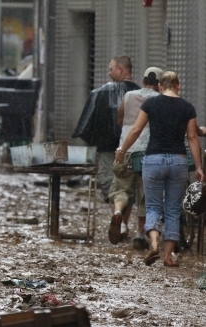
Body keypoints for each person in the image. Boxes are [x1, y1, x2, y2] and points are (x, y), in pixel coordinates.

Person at [115, 71, 204, 267]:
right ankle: (168, 256)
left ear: (160, 87)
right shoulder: (187, 107)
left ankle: (154, 242)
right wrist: (198, 167)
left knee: (153, 206)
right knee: (172, 209)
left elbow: (136, 130)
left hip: (153, 160)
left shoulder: (150, 104)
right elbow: (192, 138)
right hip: (178, 161)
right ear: (178, 86)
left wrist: (122, 150)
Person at [73, 55, 140, 240]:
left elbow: (87, 125)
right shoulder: (141, 94)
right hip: (133, 148)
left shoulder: (100, 93)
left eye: (111, 69)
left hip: (106, 149)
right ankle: (123, 224)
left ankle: (119, 220)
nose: (108, 73)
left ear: (120, 70)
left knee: (109, 183)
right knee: (129, 186)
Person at [108, 67, 163, 248]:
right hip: (148, 152)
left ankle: (118, 214)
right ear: (160, 83)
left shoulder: (129, 96)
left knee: (120, 188)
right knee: (144, 196)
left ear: (143, 79)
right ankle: (140, 235)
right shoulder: (160, 100)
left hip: (125, 149)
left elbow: (120, 119)